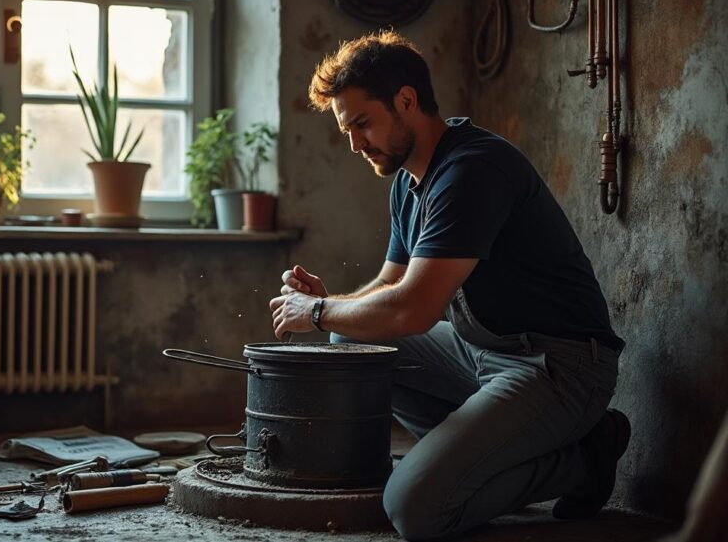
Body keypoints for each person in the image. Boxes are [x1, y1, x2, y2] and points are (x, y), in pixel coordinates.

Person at [269, 30, 629, 541]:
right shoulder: (407, 182)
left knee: (414, 509)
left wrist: (318, 311)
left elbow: (412, 310)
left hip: (558, 366)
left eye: (362, 124)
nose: (355, 145)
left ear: (407, 100)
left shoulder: (472, 169)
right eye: (348, 131)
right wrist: (330, 304)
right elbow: (390, 286)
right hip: (481, 351)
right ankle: (478, 456)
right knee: (351, 338)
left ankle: (585, 457)